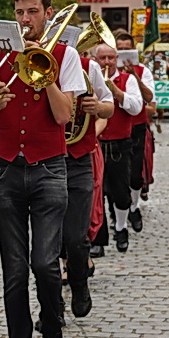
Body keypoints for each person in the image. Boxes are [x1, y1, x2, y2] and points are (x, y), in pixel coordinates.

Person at [0, 0, 86, 338]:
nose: (25, 20)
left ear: (47, 14)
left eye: (33, 11)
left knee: (45, 263)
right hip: (4, 168)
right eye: (19, 12)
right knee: (15, 270)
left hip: (50, 168)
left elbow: (63, 116)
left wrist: (45, 74)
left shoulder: (65, 54)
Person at [63, 45, 118, 316]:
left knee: (76, 236)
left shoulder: (89, 67)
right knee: (45, 242)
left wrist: (97, 106)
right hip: (43, 159)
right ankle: (51, 309)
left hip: (78, 159)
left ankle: (79, 281)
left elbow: (109, 107)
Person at [93, 40, 148, 253]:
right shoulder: (91, 78)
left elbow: (136, 107)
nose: (107, 62)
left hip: (120, 143)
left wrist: (115, 91)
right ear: (96, 61)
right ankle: (98, 238)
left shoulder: (128, 80)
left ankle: (121, 227)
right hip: (97, 143)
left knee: (120, 191)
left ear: (117, 59)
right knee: (97, 192)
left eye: (110, 58)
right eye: (102, 58)